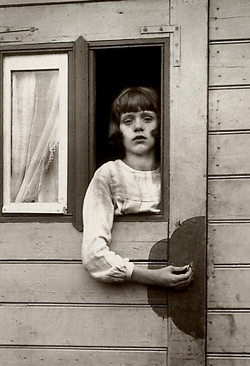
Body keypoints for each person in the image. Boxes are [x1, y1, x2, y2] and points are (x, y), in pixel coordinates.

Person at [82, 86, 193, 289]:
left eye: (147, 118)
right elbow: (92, 254)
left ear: (160, 124)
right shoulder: (108, 175)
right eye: (128, 120)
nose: (138, 127)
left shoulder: (176, 174)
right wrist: (151, 277)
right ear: (118, 128)